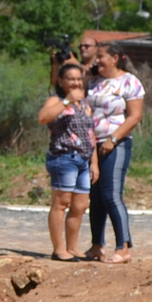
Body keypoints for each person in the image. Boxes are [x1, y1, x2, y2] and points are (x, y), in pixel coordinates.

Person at [85, 41, 145, 263]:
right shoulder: (94, 82)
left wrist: (113, 139)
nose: (97, 60)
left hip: (116, 143)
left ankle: (123, 246)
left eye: (101, 56)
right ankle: (96, 245)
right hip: (93, 146)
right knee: (96, 197)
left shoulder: (130, 82)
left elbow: (134, 116)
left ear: (115, 57)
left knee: (111, 194)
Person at [37, 61, 98, 261]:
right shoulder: (56, 100)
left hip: (83, 159)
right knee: (61, 203)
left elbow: (91, 134)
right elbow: (43, 118)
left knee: (80, 205)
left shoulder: (85, 103)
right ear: (61, 81)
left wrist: (94, 162)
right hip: (64, 157)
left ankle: (73, 247)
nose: (76, 82)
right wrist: (66, 102)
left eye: (78, 78)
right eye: (71, 79)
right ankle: (59, 249)